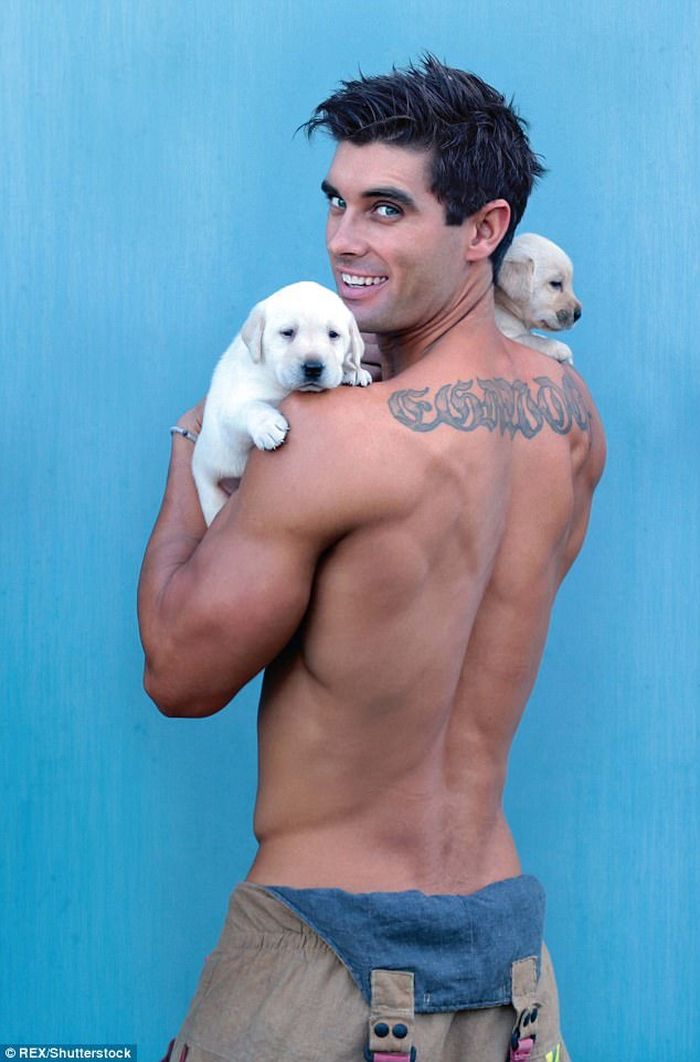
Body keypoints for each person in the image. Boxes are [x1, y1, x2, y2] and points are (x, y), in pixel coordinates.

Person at [138, 55, 605, 1062]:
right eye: (337, 203)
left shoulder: (327, 440)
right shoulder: (570, 418)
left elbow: (179, 675)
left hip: (324, 967)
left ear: (483, 230)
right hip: (513, 978)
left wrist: (191, 440)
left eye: (386, 210)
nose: (343, 240)